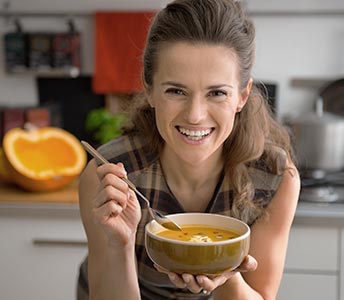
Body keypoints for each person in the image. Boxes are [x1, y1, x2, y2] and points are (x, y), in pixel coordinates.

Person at [77, 0, 300, 299]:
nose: (195, 115)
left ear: (242, 97)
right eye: (176, 91)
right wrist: (121, 244)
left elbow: (261, 294)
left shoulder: (274, 177)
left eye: (217, 92)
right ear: (150, 90)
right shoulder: (111, 176)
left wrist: (226, 276)